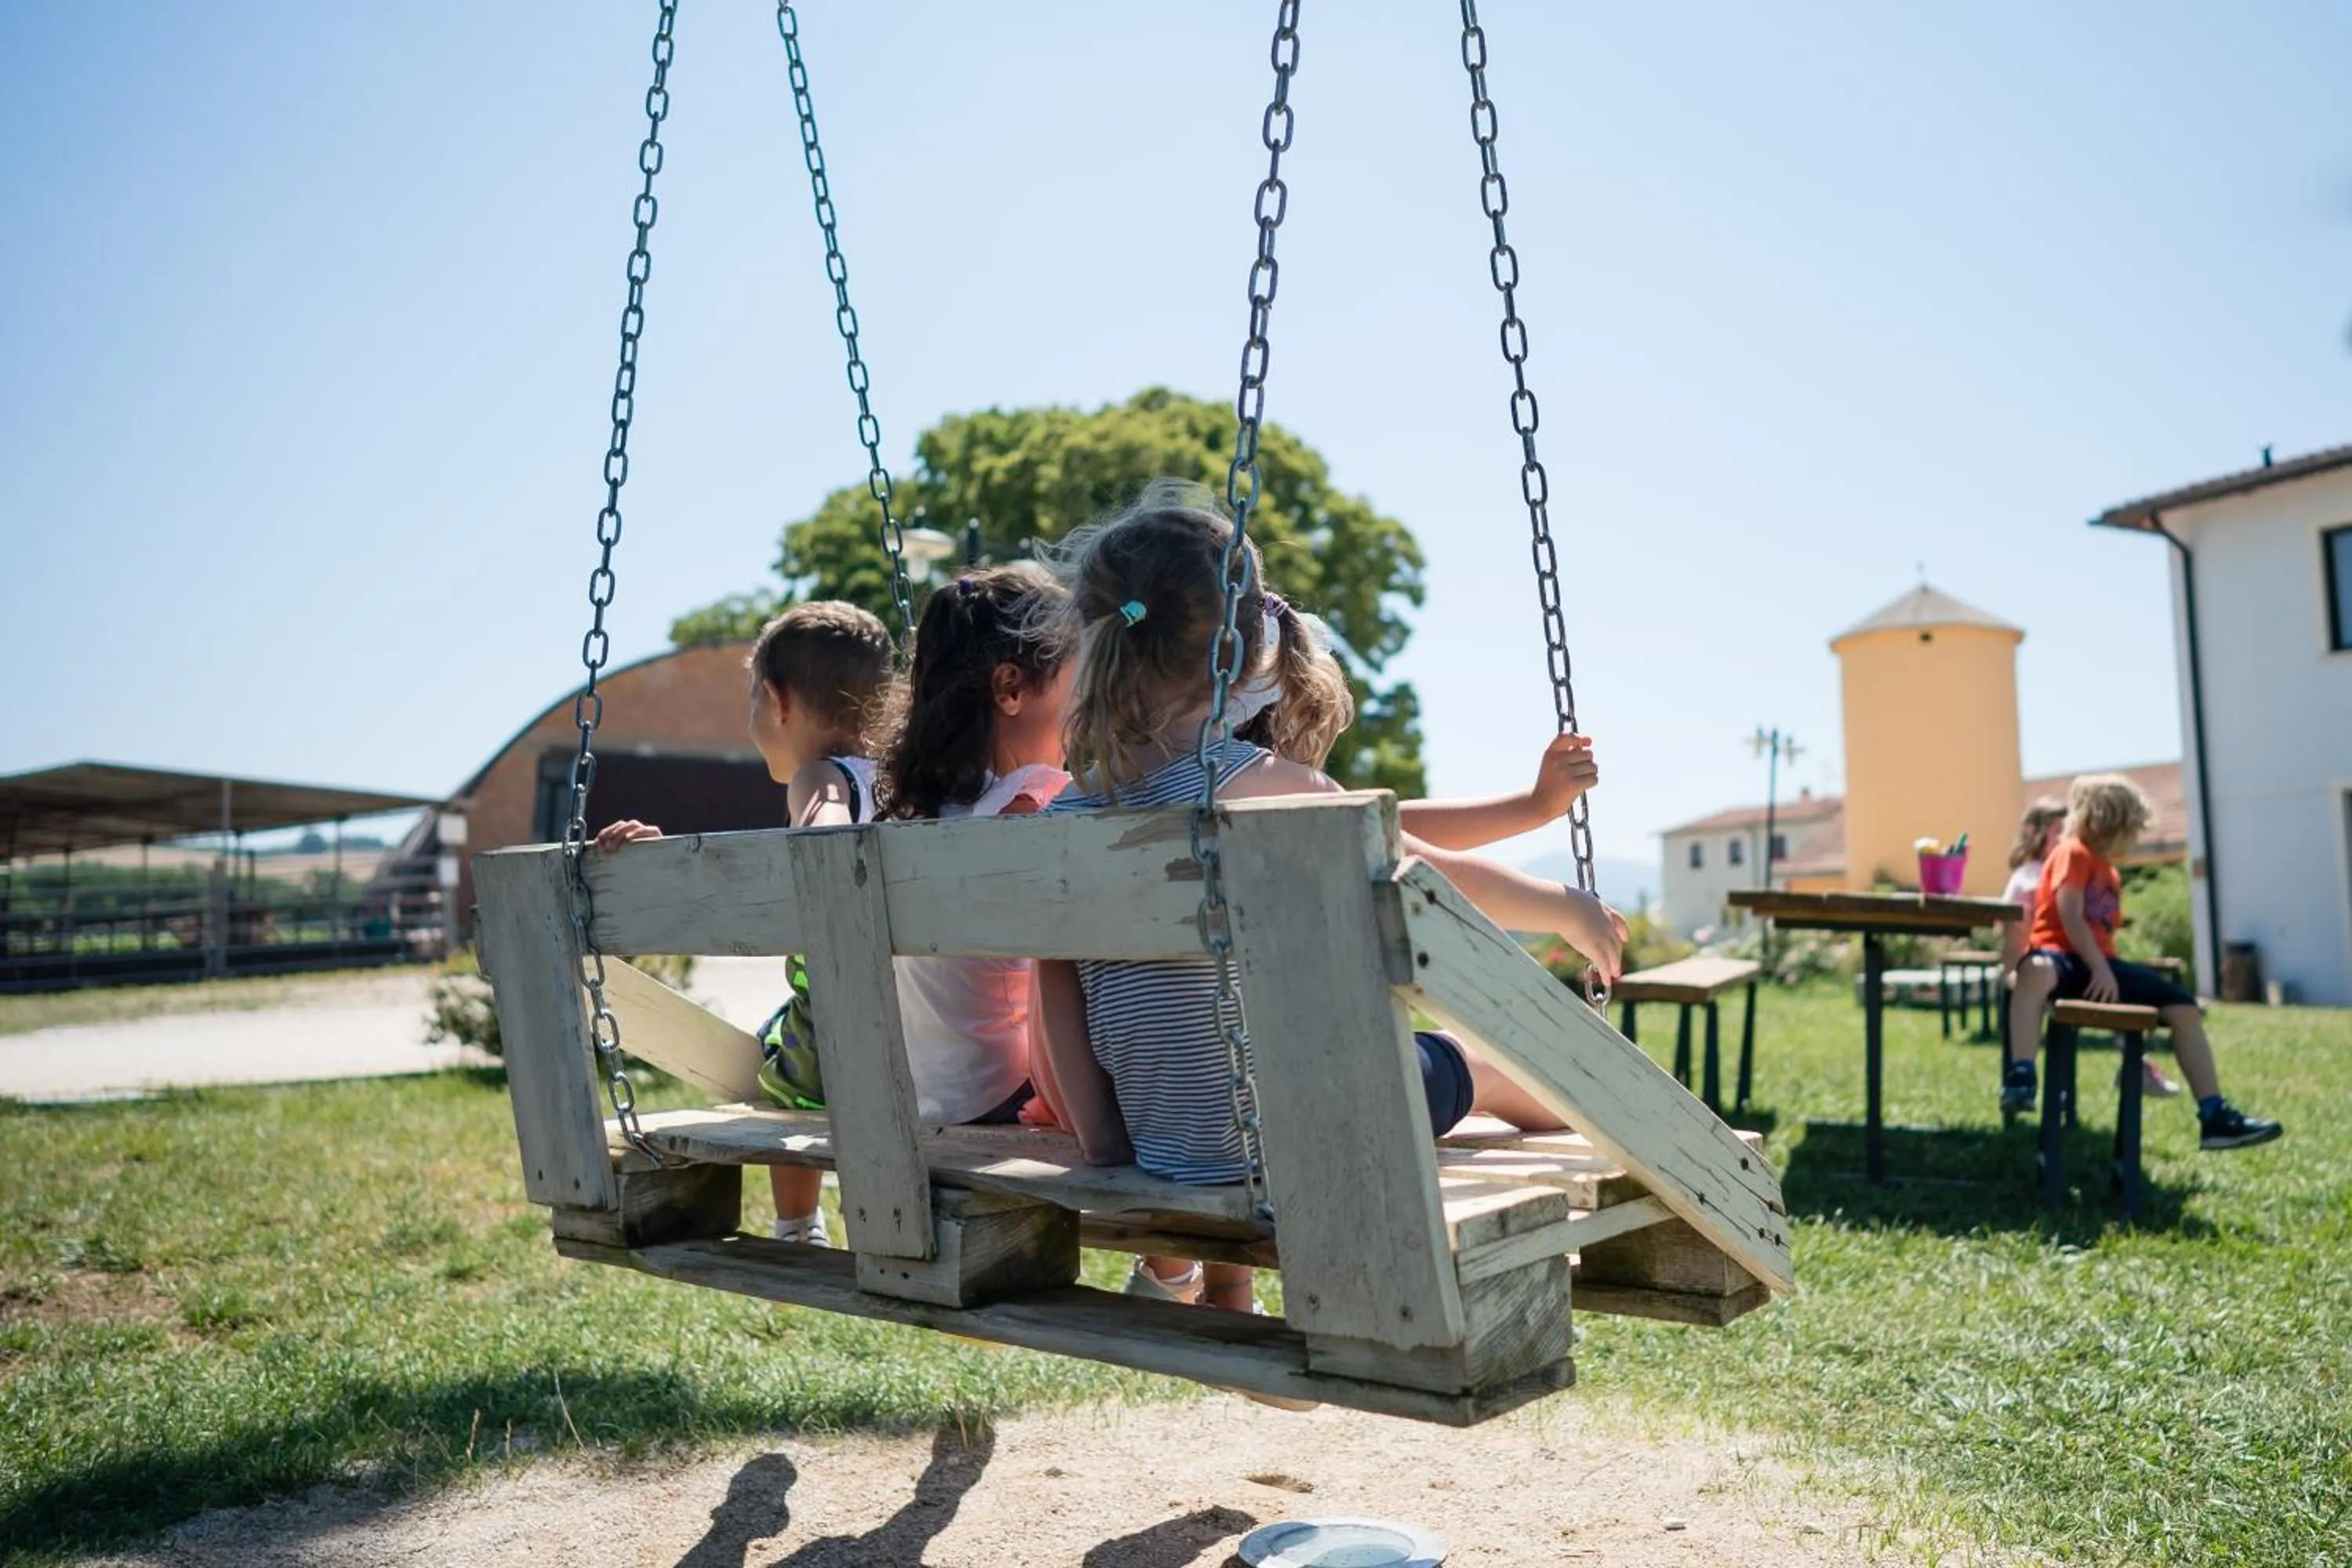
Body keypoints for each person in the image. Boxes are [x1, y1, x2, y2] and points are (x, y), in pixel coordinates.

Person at [1034, 481, 1629, 1319]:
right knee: (1488, 1065)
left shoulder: (1067, 813)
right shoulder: (1272, 785)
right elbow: (1420, 869)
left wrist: (1109, 1147)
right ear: (1244, 655)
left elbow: (1056, 983)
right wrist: (1563, 905)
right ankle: (1623, 1141)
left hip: (1165, 1143)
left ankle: (1221, 1294)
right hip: (1311, 1130)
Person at [595, 601, 895, 1243]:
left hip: (844, 1019)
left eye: (752, 700)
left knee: (777, 1068)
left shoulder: (821, 775)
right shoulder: (905, 778)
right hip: (921, 1009)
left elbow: (825, 836)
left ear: (778, 700)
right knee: (782, 1038)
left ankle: (797, 1226)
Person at [873, 564, 1076, 1128]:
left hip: (921, 1102)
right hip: (1006, 1099)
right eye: (1076, 686)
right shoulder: (1033, 808)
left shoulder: (910, 813)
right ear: (1011, 688)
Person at [2013, 774, 2281, 1150]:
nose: (2136, 839)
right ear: (2108, 821)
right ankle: (2022, 1075)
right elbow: (2070, 914)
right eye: (2132, 830)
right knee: (2035, 971)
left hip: (2099, 966)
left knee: (2184, 1008)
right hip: (2061, 958)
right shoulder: (2073, 852)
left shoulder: (2110, 871)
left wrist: (2106, 970)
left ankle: (2214, 1116)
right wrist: (2101, 968)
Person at [2001, 797, 2178, 1112]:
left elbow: (2097, 930)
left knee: (2118, 993)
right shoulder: (2029, 876)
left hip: (2077, 962)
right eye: (2058, 829)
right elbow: (2015, 932)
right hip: (2044, 964)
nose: (2067, 834)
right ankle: (2026, 1076)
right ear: (2037, 833)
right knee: (2044, 982)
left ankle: (2134, 1063)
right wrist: (2013, 970)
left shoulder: (2086, 864)